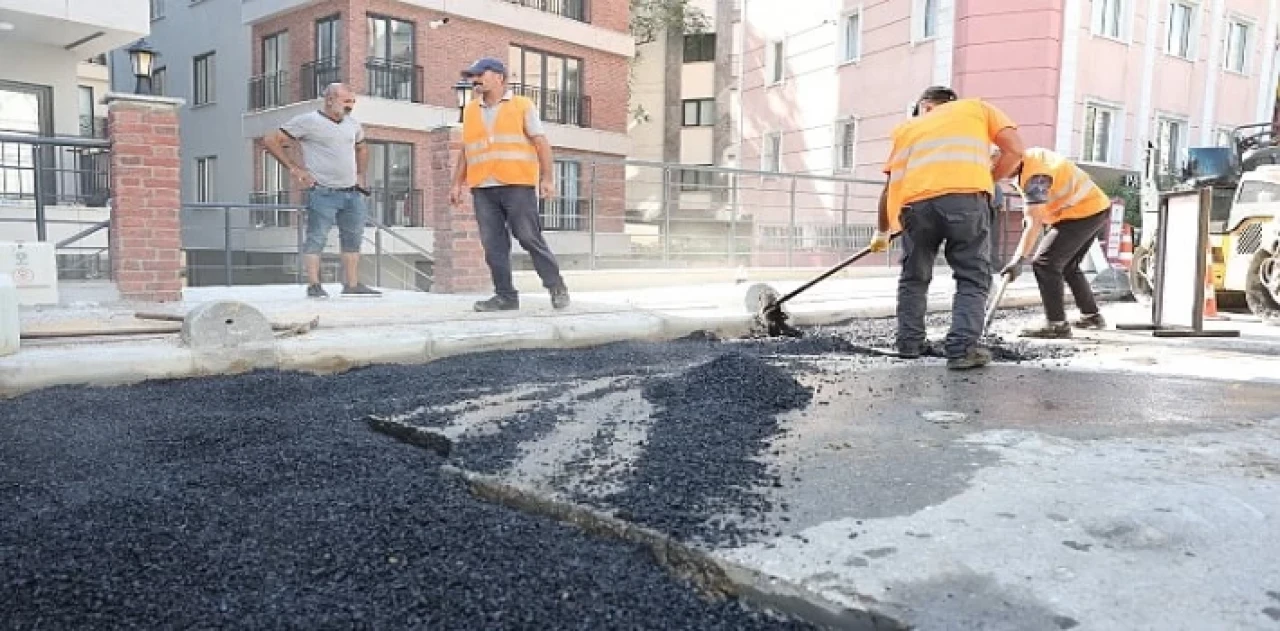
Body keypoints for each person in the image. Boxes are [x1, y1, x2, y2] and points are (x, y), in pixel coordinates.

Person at [872, 86, 1026, 370]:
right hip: (965, 203)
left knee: (913, 277)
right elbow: (1015, 149)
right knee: (972, 276)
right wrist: (986, 179)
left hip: (915, 207)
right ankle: (962, 349)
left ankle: (909, 344)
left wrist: (883, 231)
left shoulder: (908, 129)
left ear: (926, 106)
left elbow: (890, 187)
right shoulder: (977, 108)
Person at [449, 57, 570, 312]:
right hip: (483, 186)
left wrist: (547, 178)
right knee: (493, 244)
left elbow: (541, 143)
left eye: (480, 74)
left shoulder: (522, 105)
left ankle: (556, 286)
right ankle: (505, 296)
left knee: (528, 237)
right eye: (472, 75)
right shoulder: (470, 109)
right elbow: (466, 149)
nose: (474, 79)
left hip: (517, 184)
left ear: (499, 77)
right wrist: (456, 183)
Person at [262, 83, 380, 298]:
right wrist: (294, 168)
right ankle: (314, 285)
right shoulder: (308, 121)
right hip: (323, 192)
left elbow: (362, 147)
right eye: (346, 101)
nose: (350, 106)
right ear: (329, 100)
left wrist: (361, 174)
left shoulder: (352, 124)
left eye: (352, 102)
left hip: (352, 193)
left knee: (353, 238)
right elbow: (270, 140)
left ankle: (351, 285)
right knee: (317, 238)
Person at [996, 146, 1112, 338]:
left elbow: (1034, 221)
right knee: (1068, 265)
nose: (997, 174)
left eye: (998, 169)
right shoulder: (1030, 158)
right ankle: (1091, 316)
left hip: (1081, 213)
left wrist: (1018, 259)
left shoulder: (1035, 176)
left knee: (1044, 263)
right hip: (1093, 208)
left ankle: (1056, 324)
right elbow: (1036, 210)